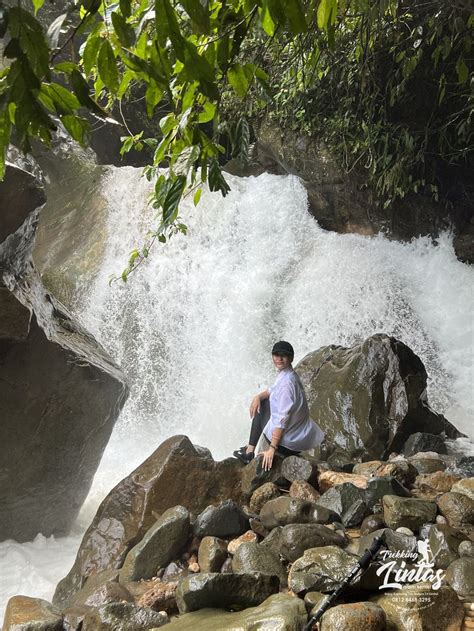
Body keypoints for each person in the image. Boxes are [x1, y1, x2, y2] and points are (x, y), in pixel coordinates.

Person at [233, 341, 324, 471]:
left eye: (284, 355)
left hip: (288, 443)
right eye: (276, 355)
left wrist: (272, 449)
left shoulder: (287, 384)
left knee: (263, 406)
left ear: (291, 358)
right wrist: (257, 397)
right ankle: (249, 450)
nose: (279, 359)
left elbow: (282, 419)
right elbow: (271, 391)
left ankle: (249, 452)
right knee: (263, 400)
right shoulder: (287, 374)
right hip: (297, 434)